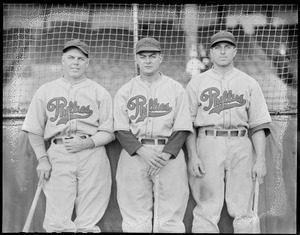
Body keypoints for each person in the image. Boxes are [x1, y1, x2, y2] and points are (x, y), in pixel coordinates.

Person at [22, 39, 114, 232]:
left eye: (81, 58)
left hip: (92, 152)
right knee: (57, 220)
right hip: (59, 152)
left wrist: (89, 142)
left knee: (89, 219)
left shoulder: (100, 92)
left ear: (87, 63)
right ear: (63, 60)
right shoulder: (45, 90)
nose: (75, 62)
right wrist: (43, 159)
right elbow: (34, 129)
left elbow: (109, 131)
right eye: (71, 57)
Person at [185, 31, 272, 233]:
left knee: (244, 210)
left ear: (235, 51)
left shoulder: (250, 83)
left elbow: (258, 125)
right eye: (217, 48)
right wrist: (193, 155)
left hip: (241, 143)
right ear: (211, 52)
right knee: (206, 210)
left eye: (227, 47)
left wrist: (260, 159)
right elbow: (188, 124)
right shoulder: (196, 83)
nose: (222, 51)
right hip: (207, 142)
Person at [113, 37, 193, 233]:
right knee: (135, 220)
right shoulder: (125, 91)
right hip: (135, 155)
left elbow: (183, 126)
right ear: (137, 60)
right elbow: (120, 129)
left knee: (170, 219)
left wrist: (165, 154)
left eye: (152, 56)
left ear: (160, 58)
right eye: (143, 56)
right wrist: (143, 152)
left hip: (169, 155)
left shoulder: (176, 89)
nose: (148, 60)